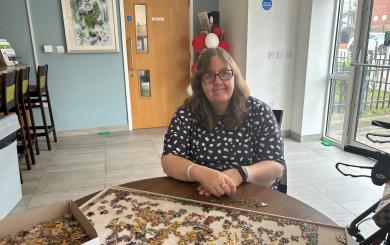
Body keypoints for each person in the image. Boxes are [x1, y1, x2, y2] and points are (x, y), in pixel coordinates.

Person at [161, 47, 285, 197]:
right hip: (201, 197)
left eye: (225, 73)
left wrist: (240, 174)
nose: (217, 81)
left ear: (235, 77)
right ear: (200, 83)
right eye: (209, 76)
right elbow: (169, 160)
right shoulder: (186, 113)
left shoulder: (260, 112)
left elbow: (275, 167)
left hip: (251, 196)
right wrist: (201, 173)